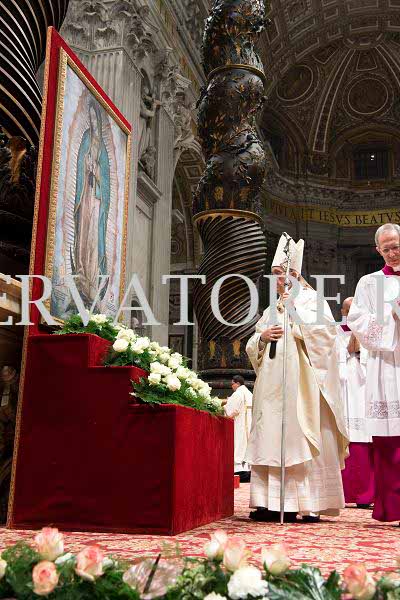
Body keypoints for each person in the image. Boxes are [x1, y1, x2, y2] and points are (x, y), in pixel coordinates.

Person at [246, 233, 348, 522]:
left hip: (301, 387)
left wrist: (295, 316)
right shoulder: (272, 308)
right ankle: (270, 503)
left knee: (298, 438)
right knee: (270, 437)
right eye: (274, 274)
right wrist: (262, 337)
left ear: (294, 274)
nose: (276, 280)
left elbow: (326, 337)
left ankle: (305, 503)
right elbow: (253, 344)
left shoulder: (312, 301)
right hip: (271, 388)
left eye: (280, 273)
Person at [347, 223, 400, 524]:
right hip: (387, 367)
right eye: (387, 248)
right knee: (389, 440)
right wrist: (391, 318)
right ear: (378, 250)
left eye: (397, 246)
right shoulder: (369, 283)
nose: (392, 253)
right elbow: (358, 320)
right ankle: (392, 507)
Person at [337, 298, 374, 508]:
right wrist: (346, 350)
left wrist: (360, 351)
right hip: (343, 388)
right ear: (342, 311)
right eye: (347, 309)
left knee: (365, 438)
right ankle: (344, 494)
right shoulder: (336, 331)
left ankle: (366, 495)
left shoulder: (369, 330)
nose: (350, 313)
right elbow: (328, 356)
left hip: (363, 388)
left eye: (353, 309)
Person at [73, 101, 110, 306]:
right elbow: (81, 161)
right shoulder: (87, 137)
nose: (92, 121)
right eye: (90, 117)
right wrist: (85, 166)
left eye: (95, 117)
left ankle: (92, 277)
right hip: (85, 194)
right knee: (83, 231)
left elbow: (106, 181)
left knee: (94, 236)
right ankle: (81, 273)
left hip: (96, 198)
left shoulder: (103, 148)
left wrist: (96, 171)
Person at [223, 375, 253, 482]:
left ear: (238, 383)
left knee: (239, 444)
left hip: (240, 425)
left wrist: (225, 406)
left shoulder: (238, 393)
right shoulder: (250, 394)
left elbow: (230, 411)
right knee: (246, 445)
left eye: (232, 384)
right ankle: (248, 470)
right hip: (249, 425)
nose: (232, 386)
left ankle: (238, 470)